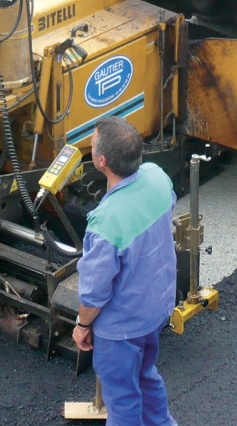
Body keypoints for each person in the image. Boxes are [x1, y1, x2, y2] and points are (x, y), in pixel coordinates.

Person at [72, 116, 178, 426]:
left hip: (122, 327)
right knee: (146, 375)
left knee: (122, 400)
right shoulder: (157, 177)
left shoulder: (106, 222)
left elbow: (94, 293)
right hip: (155, 310)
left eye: (91, 146)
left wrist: (81, 325)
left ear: (101, 161)